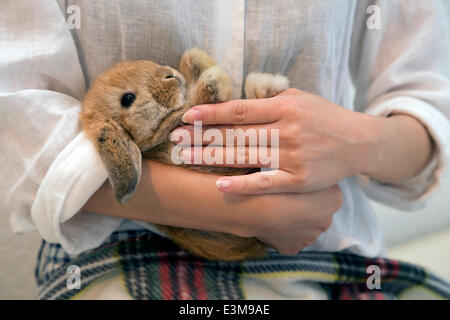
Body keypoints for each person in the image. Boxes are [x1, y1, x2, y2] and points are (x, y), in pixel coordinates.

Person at [1, 0, 449, 300]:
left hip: (332, 249)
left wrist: (354, 140)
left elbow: (424, 103)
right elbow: (21, 124)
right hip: (124, 248)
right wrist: (240, 210)